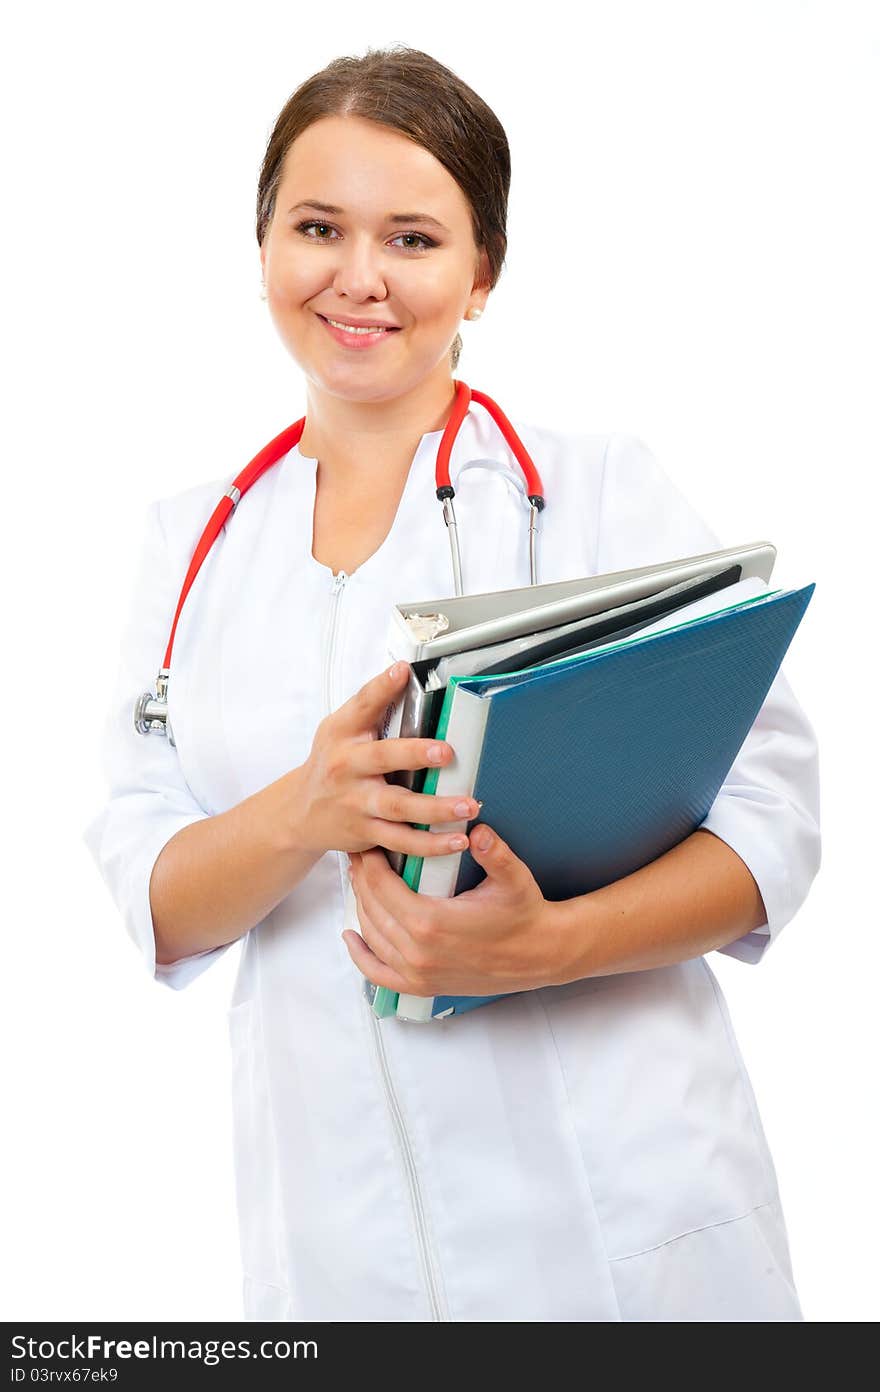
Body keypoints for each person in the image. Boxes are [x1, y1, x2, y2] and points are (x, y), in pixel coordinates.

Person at [83, 45, 821, 1322]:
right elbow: (159, 901)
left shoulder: (593, 494)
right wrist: (304, 809)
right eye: (318, 227)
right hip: (340, 1239)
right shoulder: (191, 546)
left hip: (621, 1220)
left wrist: (546, 949)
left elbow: (771, 829)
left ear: (481, 274)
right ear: (262, 243)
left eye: (413, 239)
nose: (358, 278)